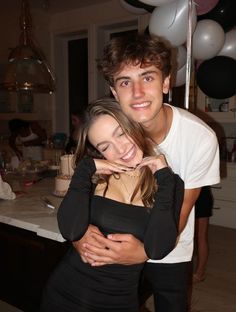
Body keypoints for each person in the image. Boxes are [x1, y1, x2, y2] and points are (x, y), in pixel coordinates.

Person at [72, 34, 220, 312]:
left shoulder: (200, 139)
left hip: (169, 250)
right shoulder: (108, 127)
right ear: (114, 92)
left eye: (148, 78)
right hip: (116, 238)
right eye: (125, 82)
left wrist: (141, 253)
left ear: (166, 82)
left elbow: (182, 210)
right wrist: (80, 235)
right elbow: (87, 191)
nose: (137, 93)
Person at [40, 98, 184, 312]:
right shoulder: (94, 178)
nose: (120, 149)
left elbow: (157, 249)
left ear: (133, 124)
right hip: (65, 294)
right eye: (105, 146)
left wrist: (164, 179)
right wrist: (85, 168)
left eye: (120, 133)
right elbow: (70, 230)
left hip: (119, 299)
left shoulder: (169, 183)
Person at [193, 186, 214, 283]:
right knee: (198, 236)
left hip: (200, 197)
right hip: (195, 195)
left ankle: (200, 273)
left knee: (201, 236)